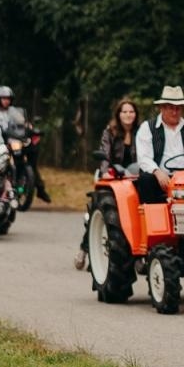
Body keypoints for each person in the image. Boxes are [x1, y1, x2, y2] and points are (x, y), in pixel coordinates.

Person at [74, 99, 142, 269]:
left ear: (136, 114)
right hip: (112, 176)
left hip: (134, 176)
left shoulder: (141, 132)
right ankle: (84, 248)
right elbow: (104, 154)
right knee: (102, 210)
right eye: (124, 111)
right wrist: (105, 171)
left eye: (131, 111)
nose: (128, 115)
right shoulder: (109, 132)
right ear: (118, 114)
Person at [133, 85, 184, 205]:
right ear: (162, 108)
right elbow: (144, 158)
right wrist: (158, 172)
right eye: (171, 108)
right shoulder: (147, 127)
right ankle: (153, 219)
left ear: (183, 109)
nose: (175, 112)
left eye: (178, 108)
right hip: (160, 177)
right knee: (146, 179)